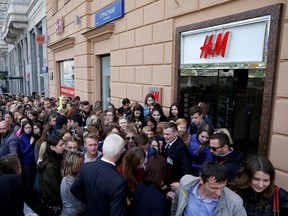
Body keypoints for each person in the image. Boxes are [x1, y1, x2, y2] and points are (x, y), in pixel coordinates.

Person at [71, 134, 127, 216]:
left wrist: (91, 201)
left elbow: (74, 189)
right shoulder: (119, 181)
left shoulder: (87, 167)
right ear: (119, 153)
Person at [171, 161, 247, 216]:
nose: (219, 193)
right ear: (201, 180)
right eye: (214, 188)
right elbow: (176, 206)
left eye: (222, 187)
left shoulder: (235, 202)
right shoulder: (185, 184)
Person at [37, 134, 65, 216]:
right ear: (52, 148)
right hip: (53, 201)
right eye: (61, 145)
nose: (64, 146)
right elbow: (56, 187)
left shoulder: (55, 158)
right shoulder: (50, 167)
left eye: (63, 143)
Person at [61, 152, 86, 216]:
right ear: (73, 165)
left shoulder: (72, 177)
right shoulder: (69, 181)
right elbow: (77, 203)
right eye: (80, 164)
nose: (82, 166)